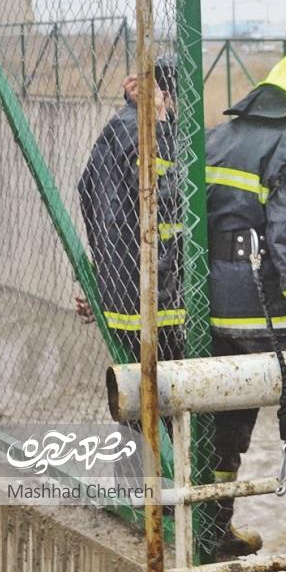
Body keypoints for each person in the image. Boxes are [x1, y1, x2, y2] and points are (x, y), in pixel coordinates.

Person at [205, 51, 286, 558]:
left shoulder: (217, 138)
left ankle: (213, 529)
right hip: (269, 318)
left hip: (213, 315)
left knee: (223, 432)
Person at [78, 59, 184, 361]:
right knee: (171, 395)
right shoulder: (147, 132)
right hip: (157, 302)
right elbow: (164, 202)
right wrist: (161, 127)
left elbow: (93, 200)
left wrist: (103, 279)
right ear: (166, 96)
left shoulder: (118, 128)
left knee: (147, 394)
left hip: (123, 295)